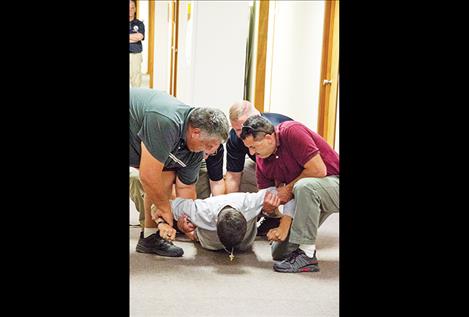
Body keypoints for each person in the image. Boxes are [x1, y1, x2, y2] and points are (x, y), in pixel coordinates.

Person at [130, 87, 230, 257]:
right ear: (196, 132)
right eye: (211, 145)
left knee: (166, 175)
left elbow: (186, 189)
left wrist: (185, 219)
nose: (212, 152)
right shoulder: (166, 121)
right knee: (154, 177)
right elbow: (147, 176)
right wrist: (164, 208)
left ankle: (149, 237)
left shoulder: (196, 151)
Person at [240, 115, 339, 273]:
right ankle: (301, 245)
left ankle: (307, 256)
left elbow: (319, 170)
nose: (252, 152)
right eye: (248, 148)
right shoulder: (261, 160)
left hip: (334, 182)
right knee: (280, 251)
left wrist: (288, 189)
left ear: (269, 138)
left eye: (253, 147)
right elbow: (273, 197)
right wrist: (270, 209)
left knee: (303, 187)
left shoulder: (292, 131)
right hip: (308, 197)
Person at [168, 187, 294, 258]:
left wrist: (281, 221)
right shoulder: (200, 210)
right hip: (209, 240)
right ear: (216, 221)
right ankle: (194, 236)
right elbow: (159, 207)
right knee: (194, 231)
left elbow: (290, 193)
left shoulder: (250, 202)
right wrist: (180, 226)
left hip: (245, 241)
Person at [129, 0, 145, 87]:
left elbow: (140, 37)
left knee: (136, 81)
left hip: (136, 55)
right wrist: (133, 37)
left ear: (135, 9)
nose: (130, 9)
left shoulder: (140, 23)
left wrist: (137, 37)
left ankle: (135, 100)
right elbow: (136, 37)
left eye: (132, 7)